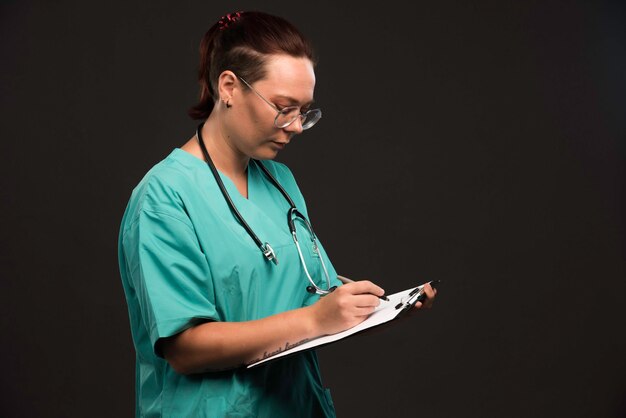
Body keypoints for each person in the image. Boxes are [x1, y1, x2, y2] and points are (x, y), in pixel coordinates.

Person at [117, 10, 436, 418]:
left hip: (296, 405)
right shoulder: (164, 198)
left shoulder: (279, 180)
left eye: (305, 111)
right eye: (284, 107)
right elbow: (184, 348)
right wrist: (315, 320)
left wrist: (371, 310)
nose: (297, 126)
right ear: (229, 86)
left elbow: (307, 290)